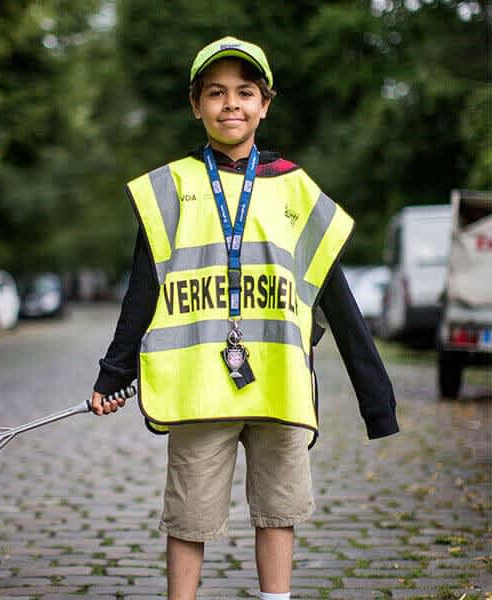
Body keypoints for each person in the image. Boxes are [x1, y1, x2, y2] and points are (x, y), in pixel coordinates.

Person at [90, 36, 399, 600]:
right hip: (197, 391)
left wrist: (375, 398)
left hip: (278, 387)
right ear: (195, 105)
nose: (230, 104)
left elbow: (337, 296)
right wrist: (114, 376)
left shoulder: (296, 190)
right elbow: (142, 294)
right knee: (189, 517)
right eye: (216, 93)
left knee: (277, 512)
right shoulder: (171, 188)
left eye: (245, 92)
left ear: (265, 104)